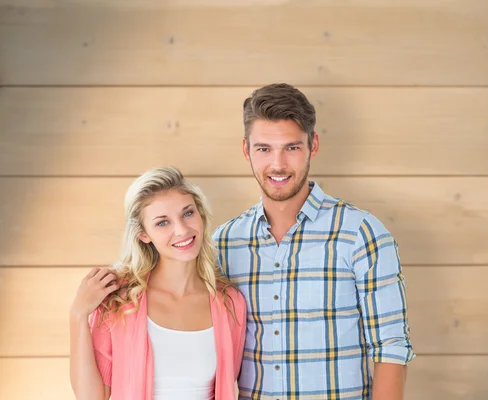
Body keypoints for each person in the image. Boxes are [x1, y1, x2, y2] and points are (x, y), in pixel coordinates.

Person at [212, 83, 415, 399]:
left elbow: (390, 346)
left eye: (291, 148)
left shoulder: (360, 234)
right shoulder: (223, 244)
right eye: (264, 148)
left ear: (313, 145)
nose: (278, 165)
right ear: (245, 150)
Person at [69, 166, 246, 400]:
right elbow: (91, 397)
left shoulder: (230, 302)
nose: (182, 230)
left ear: (201, 215)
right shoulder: (118, 300)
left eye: (187, 213)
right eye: (162, 223)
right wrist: (78, 315)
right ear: (144, 234)